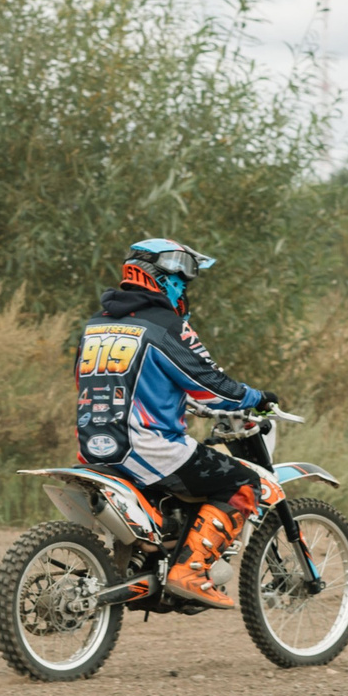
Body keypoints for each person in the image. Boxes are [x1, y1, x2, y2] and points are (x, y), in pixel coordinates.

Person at [74, 236, 278, 609]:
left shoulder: (95, 326)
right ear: (161, 278)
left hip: (93, 445)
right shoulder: (165, 326)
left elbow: (103, 383)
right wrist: (257, 397)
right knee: (244, 485)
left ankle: (154, 554)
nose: (185, 289)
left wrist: (176, 400)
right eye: (182, 281)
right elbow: (212, 385)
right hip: (149, 447)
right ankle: (189, 571)